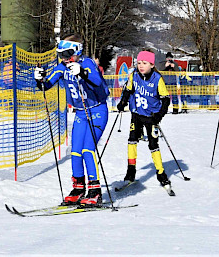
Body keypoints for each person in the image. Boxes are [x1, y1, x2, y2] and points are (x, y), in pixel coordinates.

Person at [34, 35, 110, 207]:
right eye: (61, 54)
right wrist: (39, 79)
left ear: (77, 51)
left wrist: (82, 72)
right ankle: (78, 188)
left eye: (68, 54)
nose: (65, 58)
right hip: (81, 113)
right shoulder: (62, 67)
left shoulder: (87, 63)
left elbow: (97, 81)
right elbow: (47, 84)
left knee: (87, 150)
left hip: (97, 110)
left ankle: (95, 190)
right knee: (75, 152)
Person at [117, 50, 172, 188]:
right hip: (136, 114)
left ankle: (161, 173)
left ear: (152, 65)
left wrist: (159, 115)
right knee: (132, 141)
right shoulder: (134, 75)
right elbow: (128, 90)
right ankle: (131, 171)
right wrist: (123, 102)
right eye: (139, 63)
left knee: (153, 145)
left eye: (145, 63)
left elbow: (165, 99)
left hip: (151, 117)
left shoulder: (157, 79)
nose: (141, 65)